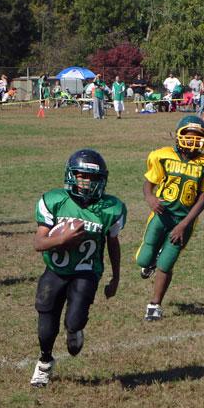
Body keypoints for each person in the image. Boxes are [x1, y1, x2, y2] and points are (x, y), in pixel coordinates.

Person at [29, 149, 126, 387]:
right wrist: (61, 240)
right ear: (71, 175)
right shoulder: (55, 200)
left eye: (92, 177)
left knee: (74, 321)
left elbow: (113, 243)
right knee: (46, 323)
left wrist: (115, 277)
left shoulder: (111, 208)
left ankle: (74, 330)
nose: (87, 182)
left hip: (86, 271)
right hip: (55, 270)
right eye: (82, 175)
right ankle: (44, 362)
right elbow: (38, 243)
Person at [136, 116, 204, 321]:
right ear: (178, 136)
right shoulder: (162, 155)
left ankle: (155, 304)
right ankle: (149, 262)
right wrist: (150, 198)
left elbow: (202, 200)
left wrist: (184, 225)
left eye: (197, 138)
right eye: (188, 137)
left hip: (185, 220)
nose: (192, 142)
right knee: (143, 259)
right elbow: (149, 182)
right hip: (161, 215)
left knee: (166, 263)